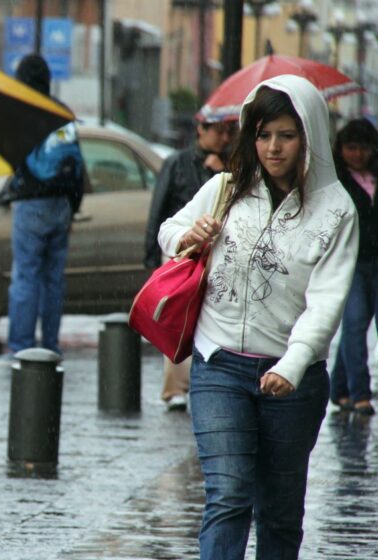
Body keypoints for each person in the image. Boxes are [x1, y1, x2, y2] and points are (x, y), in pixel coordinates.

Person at [158, 74, 358, 559]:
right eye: (263, 135)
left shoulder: (336, 211)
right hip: (218, 363)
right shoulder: (226, 188)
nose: (273, 148)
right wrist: (187, 238)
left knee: (280, 513)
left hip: (293, 381)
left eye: (286, 136)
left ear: (308, 136)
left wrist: (291, 365)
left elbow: (326, 301)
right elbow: (169, 230)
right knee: (228, 495)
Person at [0, 53, 84, 366]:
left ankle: (21, 348)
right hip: (61, 204)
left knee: (26, 276)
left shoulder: (22, 110)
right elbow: (78, 166)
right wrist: (72, 207)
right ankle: (52, 346)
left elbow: (13, 159)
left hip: (32, 203)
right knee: (53, 279)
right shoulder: (61, 111)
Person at [144, 118, 235, 411]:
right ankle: (176, 388)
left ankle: (208, 380)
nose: (222, 138)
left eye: (226, 132)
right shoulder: (178, 163)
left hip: (217, 253)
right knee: (177, 316)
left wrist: (219, 170)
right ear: (201, 130)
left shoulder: (230, 165)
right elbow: (161, 209)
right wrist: (150, 254)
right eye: (217, 131)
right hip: (181, 251)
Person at [329, 118, 378, 416]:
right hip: (351, 263)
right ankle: (360, 392)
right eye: (351, 148)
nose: (358, 154)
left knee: (355, 327)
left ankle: (339, 389)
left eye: (364, 148)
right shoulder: (335, 181)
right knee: (356, 323)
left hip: (377, 261)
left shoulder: (374, 177)